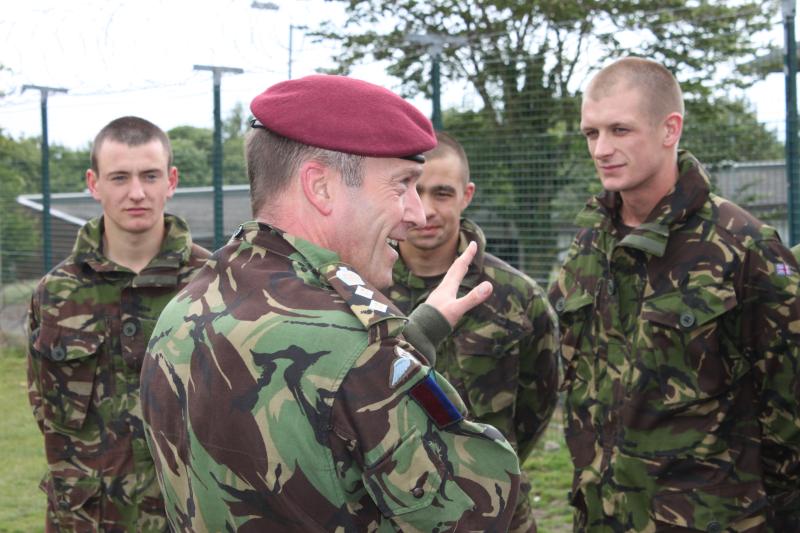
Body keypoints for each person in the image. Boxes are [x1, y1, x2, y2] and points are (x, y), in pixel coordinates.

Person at [140, 75, 521, 532]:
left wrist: (407, 342)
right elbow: (477, 512)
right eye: (402, 185)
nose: (416, 214)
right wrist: (395, 355)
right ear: (320, 187)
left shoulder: (182, 310)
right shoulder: (357, 346)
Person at [549, 56, 800, 532]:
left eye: (620, 130)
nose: (602, 149)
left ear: (669, 130)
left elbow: (789, 412)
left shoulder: (741, 246)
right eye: (591, 133)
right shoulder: (588, 245)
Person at [26, 116, 210, 532]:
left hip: (189, 519)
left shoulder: (214, 284)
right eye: (119, 177)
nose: (137, 193)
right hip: (86, 518)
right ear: (94, 184)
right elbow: (44, 410)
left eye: (150, 175)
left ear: (172, 180)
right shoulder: (55, 293)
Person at [386, 131, 559, 533]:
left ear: (467, 195)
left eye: (443, 194)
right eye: (413, 189)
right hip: (390, 513)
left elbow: (539, 402)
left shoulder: (516, 296)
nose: (426, 210)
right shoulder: (360, 286)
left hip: (494, 510)